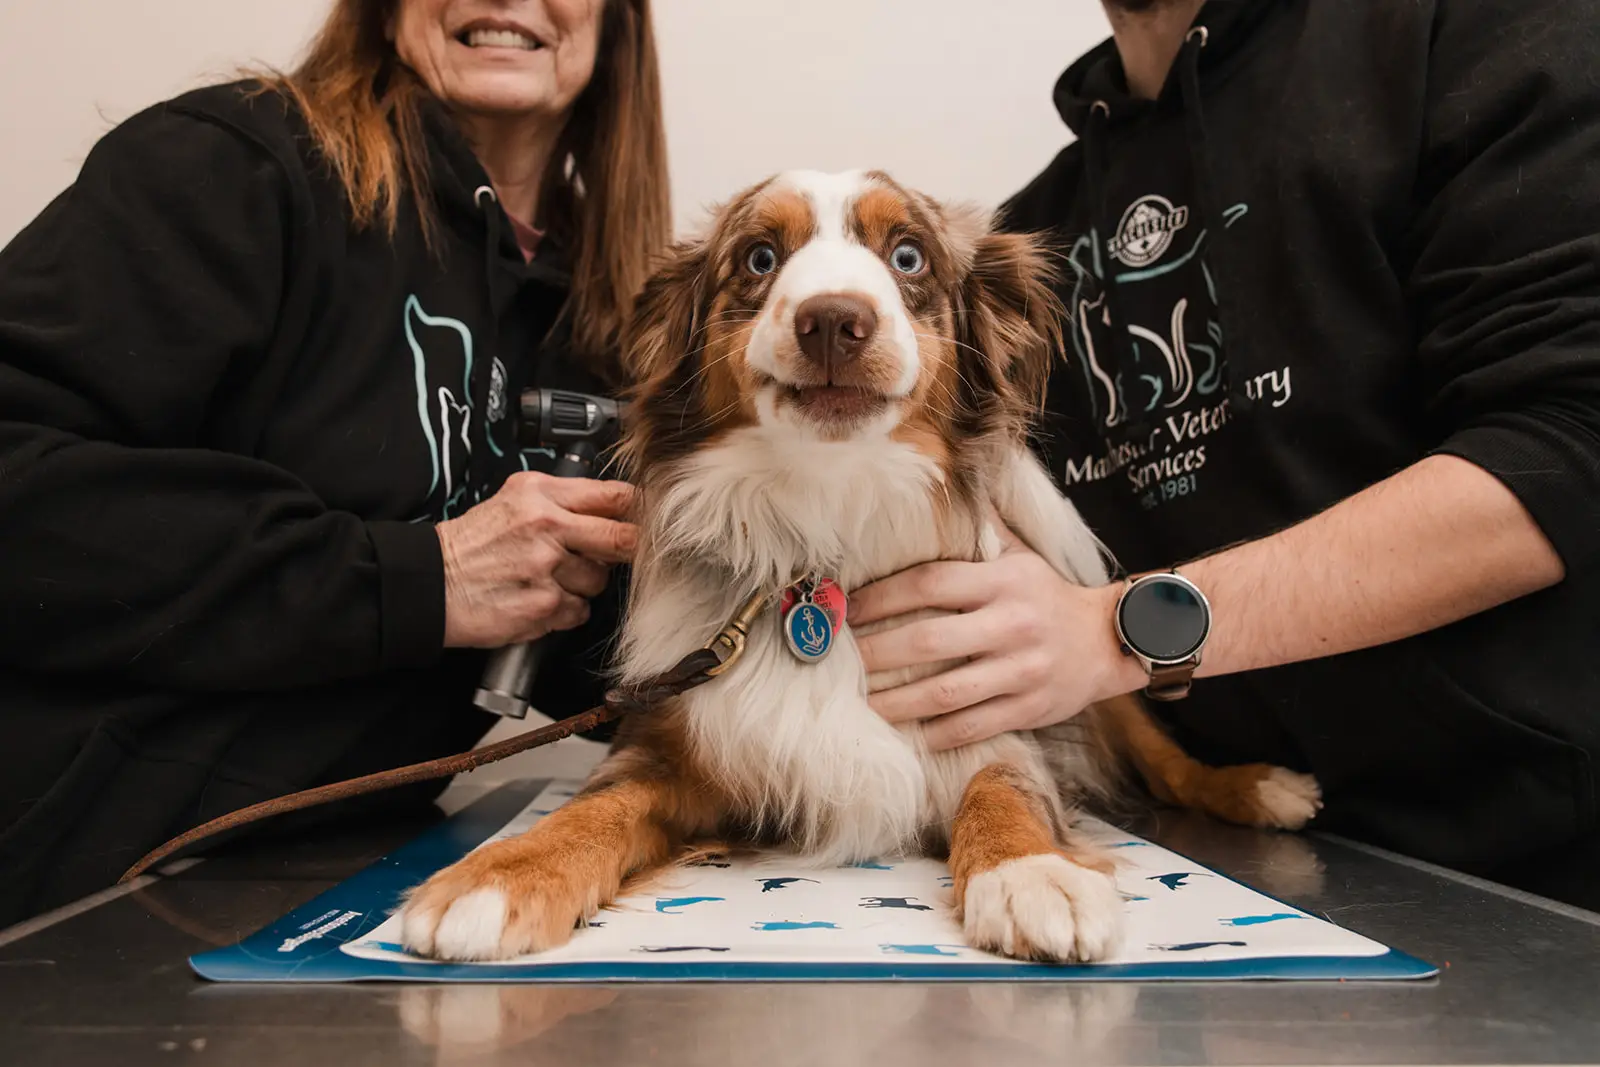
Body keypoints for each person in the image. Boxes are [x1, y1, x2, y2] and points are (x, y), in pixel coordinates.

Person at [852, 0, 1600, 909]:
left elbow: (1564, 446)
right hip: (1196, 868)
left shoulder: (1471, 30)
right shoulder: (1032, 231)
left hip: (1521, 886)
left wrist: (1118, 630)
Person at [0, 0, 668, 925]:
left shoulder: (616, 318)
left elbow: (626, 653)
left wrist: (856, 644)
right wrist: (417, 579)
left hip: (332, 889)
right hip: (64, 895)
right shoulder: (229, 167)